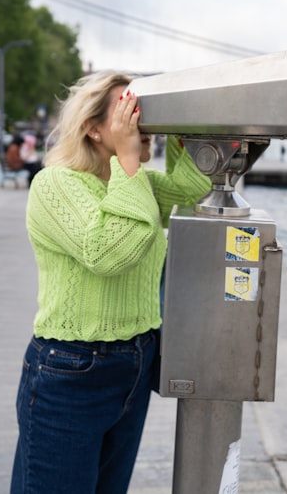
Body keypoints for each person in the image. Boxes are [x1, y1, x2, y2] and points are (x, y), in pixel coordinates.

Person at [11, 71, 211, 494]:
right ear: (92, 128)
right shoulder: (55, 184)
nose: (137, 122)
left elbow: (192, 188)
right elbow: (109, 253)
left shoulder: (136, 182)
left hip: (134, 363)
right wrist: (130, 161)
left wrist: (174, 126)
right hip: (71, 371)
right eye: (126, 112)